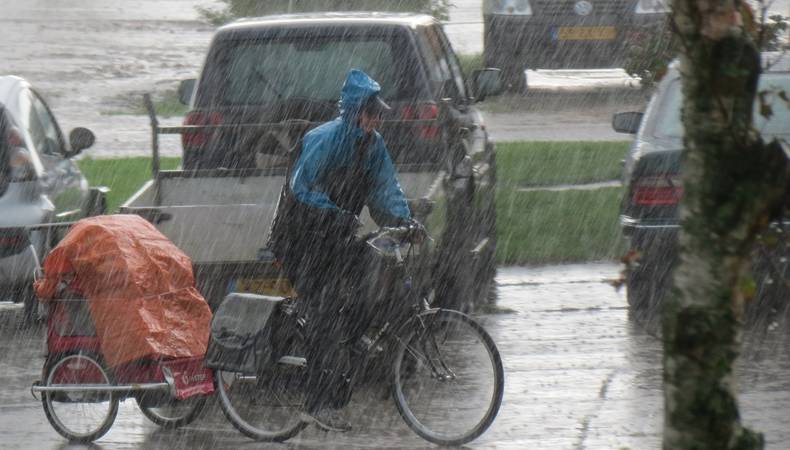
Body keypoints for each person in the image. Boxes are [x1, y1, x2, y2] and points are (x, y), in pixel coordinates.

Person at [267, 69, 417, 432]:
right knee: (325, 312)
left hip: (336, 237)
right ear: (354, 113)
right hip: (301, 239)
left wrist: (406, 221)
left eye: (378, 114)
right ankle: (318, 403)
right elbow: (302, 188)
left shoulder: (373, 145)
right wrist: (334, 215)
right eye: (370, 114)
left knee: (368, 284)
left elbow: (385, 189)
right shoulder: (325, 139)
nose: (376, 120)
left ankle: (346, 353)